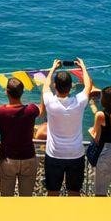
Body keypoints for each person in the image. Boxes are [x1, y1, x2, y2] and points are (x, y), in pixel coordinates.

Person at [41, 58, 93, 196]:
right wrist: (83, 68)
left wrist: (53, 68)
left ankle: (52, 218)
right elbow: (88, 86)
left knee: (52, 192)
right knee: (74, 193)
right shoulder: (79, 102)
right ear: (71, 87)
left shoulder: (50, 102)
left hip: (54, 154)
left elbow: (45, 86)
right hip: (76, 154)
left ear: (55, 86)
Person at [0, 79, 41, 197]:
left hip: (8, 160)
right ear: (22, 92)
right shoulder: (31, 109)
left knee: (7, 198)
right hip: (28, 158)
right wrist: (44, 92)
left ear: (6, 92)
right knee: (26, 198)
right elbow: (42, 110)